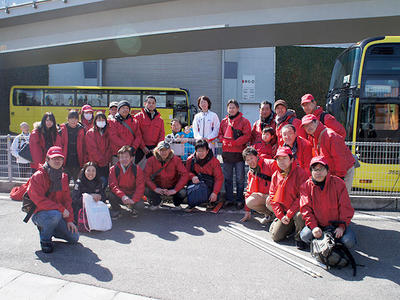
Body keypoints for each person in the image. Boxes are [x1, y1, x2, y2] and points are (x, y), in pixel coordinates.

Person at [27, 146, 79, 253]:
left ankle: (49, 229)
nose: (57, 161)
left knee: (74, 237)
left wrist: (69, 220)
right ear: (47, 159)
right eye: (54, 158)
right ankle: (45, 239)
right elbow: (39, 200)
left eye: (60, 158)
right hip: (40, 214)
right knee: (55, 215)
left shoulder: (64, 177)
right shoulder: (38, 176)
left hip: (57, 214)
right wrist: (61, 209)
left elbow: (67, 200)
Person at [300, 156, 356, 249]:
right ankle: (324, 243)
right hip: (318, 226)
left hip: (336, 225)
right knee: (305, 236)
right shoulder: (306, 186)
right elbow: (305, 209)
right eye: (315, 169)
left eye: (321, 169)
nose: (318, 172)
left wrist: (341, 227)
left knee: (348, 242)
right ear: (311, 171)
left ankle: (330, 243)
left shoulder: (338, 183)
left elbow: (345, 207)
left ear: (327, 170)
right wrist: (314, 227)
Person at [301, 114, 355, 193]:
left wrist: (339, 178)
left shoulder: (331, 136)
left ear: (317, 122)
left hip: (343, 172)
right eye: (305, 126)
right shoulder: (313, 137)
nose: (308, 127)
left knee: (341, 200)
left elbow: (340, 159)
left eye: (310, 123)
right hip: (332, 173)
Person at [268, 147, 308, 249]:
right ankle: (288, 226)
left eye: (284, 158)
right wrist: (281, 215)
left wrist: (289, 214)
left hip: (296, 210)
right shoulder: (275, 175)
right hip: (284, 212)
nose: (281, 161)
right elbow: (273, 198)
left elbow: (302, 197)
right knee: (275, 237)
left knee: (300, 215)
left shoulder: (300, 173)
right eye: (278, 159)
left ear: (291, 159)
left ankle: (299, 237)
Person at [218, 99, 251, 209]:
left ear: (237, 108)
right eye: (229, 107)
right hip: (227, 154)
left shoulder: (244, 121)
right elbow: (220, 135)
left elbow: (247, 136)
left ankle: (240, 200)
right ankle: (229, 199)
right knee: (227, 178)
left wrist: (235, 143)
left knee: (240, 179)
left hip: (239, 155)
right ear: (227, 109)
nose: (231, 109)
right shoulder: (223, 121)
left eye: (233, 107)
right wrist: (223, 140)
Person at [144, 141, 189, 210]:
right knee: (145, 189)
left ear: (170, 150)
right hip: (157, 185)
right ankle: (156, 202)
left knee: (183, 192)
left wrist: (175, 189)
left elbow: (185, 174)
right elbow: (146, 176)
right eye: (161, 150)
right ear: (157, 150)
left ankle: (177, 204)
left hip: (172, 185)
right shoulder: (151, 160)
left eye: (166, 150)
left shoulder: (176, 160)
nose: (164, 152)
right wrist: (155, 188)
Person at [241, 147, 278, 223]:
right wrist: (247, 211)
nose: (250, 161)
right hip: (265, 196)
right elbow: (249, 191)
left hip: (276, 196)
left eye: (252, 158)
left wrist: (273, 195)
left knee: (269, 201)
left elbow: (281, 183)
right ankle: (269, 215)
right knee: (249, 202)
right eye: (248, 160)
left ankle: (279, 217)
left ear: (257, 156)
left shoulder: (270, 164)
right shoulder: (251, 172)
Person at [185, 139, 224, 210]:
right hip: (196, 183)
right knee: (185, 192)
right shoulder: (190, 159)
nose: (201, 153)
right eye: (199, 151)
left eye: (203, 151)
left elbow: (219, 178)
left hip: (209, 184)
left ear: (207, 151)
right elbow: (186, 173)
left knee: (213, 196)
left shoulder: (214, 161)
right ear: (195, 151)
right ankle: (194, 201)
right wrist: (192, 176)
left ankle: (209, 201)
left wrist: (215, 192)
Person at [108, 145, 145, 219]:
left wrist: (134, 200)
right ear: (118, 158)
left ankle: (134, 209)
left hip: (132, 194)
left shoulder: (137, 169)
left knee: (140, 205)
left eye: (126, 157)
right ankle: (117, 210)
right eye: (121, 157)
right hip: (121, 195)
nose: (124, 159)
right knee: (110, 195)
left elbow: (140, 186)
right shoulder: (113, 169)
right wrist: (123, 196)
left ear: (131, 158)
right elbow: (113, 185)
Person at [56, 110, 86, 182]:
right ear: (68, 119)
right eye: (71, 118)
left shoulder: (82, 130)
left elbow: (84, 147)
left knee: (78, 183)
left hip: (78, 162)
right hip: (65, 162)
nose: (73, 120)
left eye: (75, 118)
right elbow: (58, 146)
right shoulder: (61, 130)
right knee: (63, 183)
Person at [134, 95, 165, 165]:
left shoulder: (160, 120)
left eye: (153, 103)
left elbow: (162, 134)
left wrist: (157, 147)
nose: (151, 104)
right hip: (140, 149)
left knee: (153, 169)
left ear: (155, 105)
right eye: (149, 103)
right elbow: (137, 134)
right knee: (139, 169)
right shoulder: (138, 117)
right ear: (145, 104)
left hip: (155, 149)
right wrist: (143, 147)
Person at [85, 112, 112, 187]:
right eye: (99, 119)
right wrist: (101, 160)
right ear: (95, 121)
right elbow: (92, 150)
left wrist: (106, 159)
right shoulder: (90, 133)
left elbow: (110, 148)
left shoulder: (108, 132)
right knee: (95, 183)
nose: (101, 121)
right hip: (95, 164)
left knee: (104, 183)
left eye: (103, 119)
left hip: (105, 164)